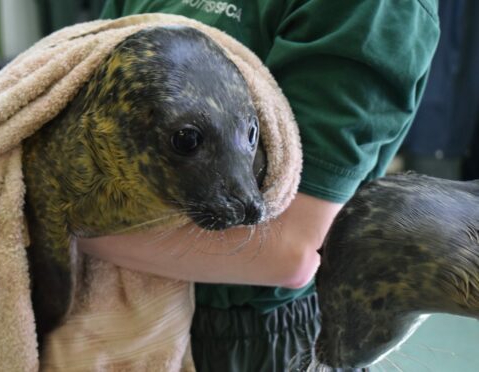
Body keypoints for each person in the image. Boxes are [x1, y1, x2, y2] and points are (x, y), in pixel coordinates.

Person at [77, 1, 440, 371]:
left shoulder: (370, 9)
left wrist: (52, 225)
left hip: (248, 337)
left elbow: (289, 251)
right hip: (108, 301)